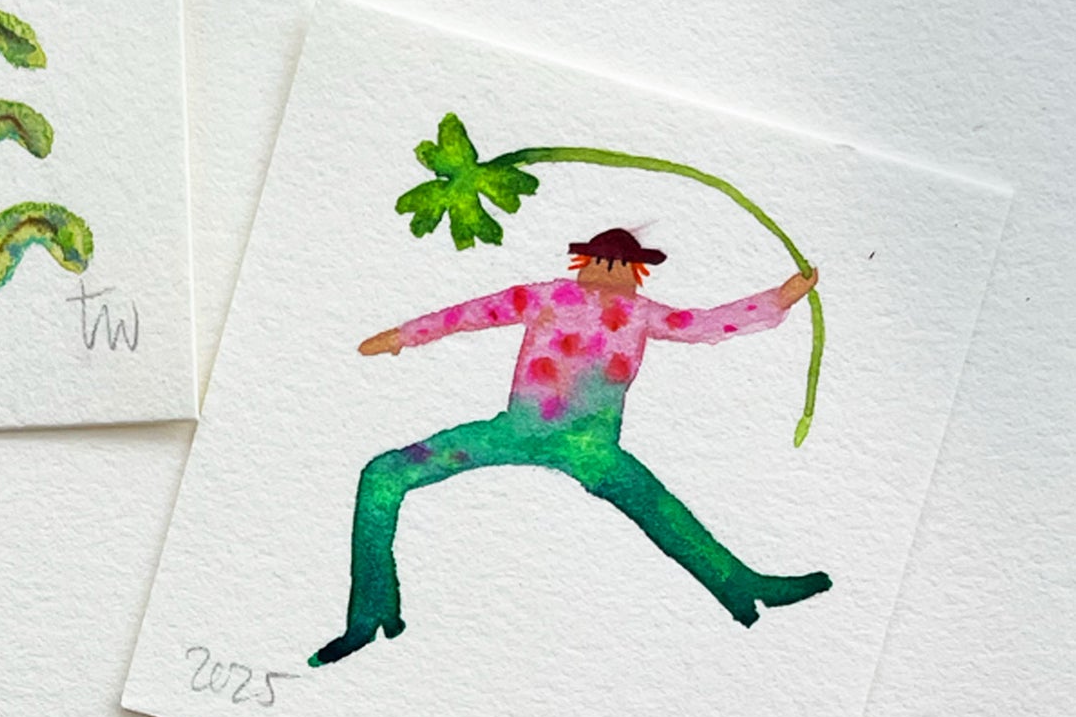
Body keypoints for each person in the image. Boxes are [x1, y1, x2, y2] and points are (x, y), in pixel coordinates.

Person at [311, 228, 831, 665]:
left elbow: (703, 325)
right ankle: (370, 608)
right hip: (517, 429)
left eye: (620, 266)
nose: (609, 273)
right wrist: (404, 335)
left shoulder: (641, 313)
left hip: (590, 447)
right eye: (600, 263)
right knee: (383, 473)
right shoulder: (546, 297)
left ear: (637, 273)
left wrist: (781, 297)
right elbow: (474, 312)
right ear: (582, 264)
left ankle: (740, 584)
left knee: (663, 512)